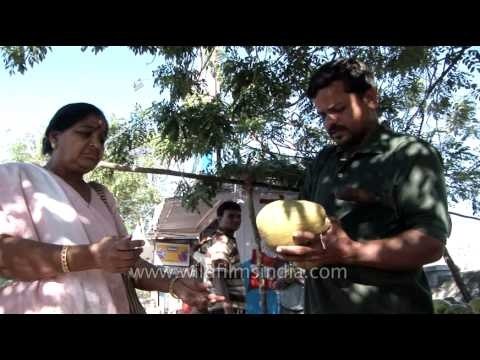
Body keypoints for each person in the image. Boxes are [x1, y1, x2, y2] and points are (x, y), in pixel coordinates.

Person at [0, 102, 224, 314]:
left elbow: (128, 263)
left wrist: (175, 285)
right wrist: (91, 256)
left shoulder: (102, 196)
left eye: (102, 138)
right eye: (85, 133)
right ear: (54, 137)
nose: (96, 144)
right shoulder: (18, 177)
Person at [275, 59, 451, 313]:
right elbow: (304, 233)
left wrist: (352, 252)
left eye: (338, 109)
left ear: (370, 98)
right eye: (323, 115)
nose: (329, 122)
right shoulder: (322, 162)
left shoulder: (410, 155)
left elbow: (431, 243)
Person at [193, 201, 246, 314]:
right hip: (225, 307)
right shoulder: (222, 242)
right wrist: (227, 307)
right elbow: (218, 276)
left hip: (226, 305)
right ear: (219, 219)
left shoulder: (226, 241)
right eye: (231, 216)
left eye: (238, 216)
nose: (236, 220)